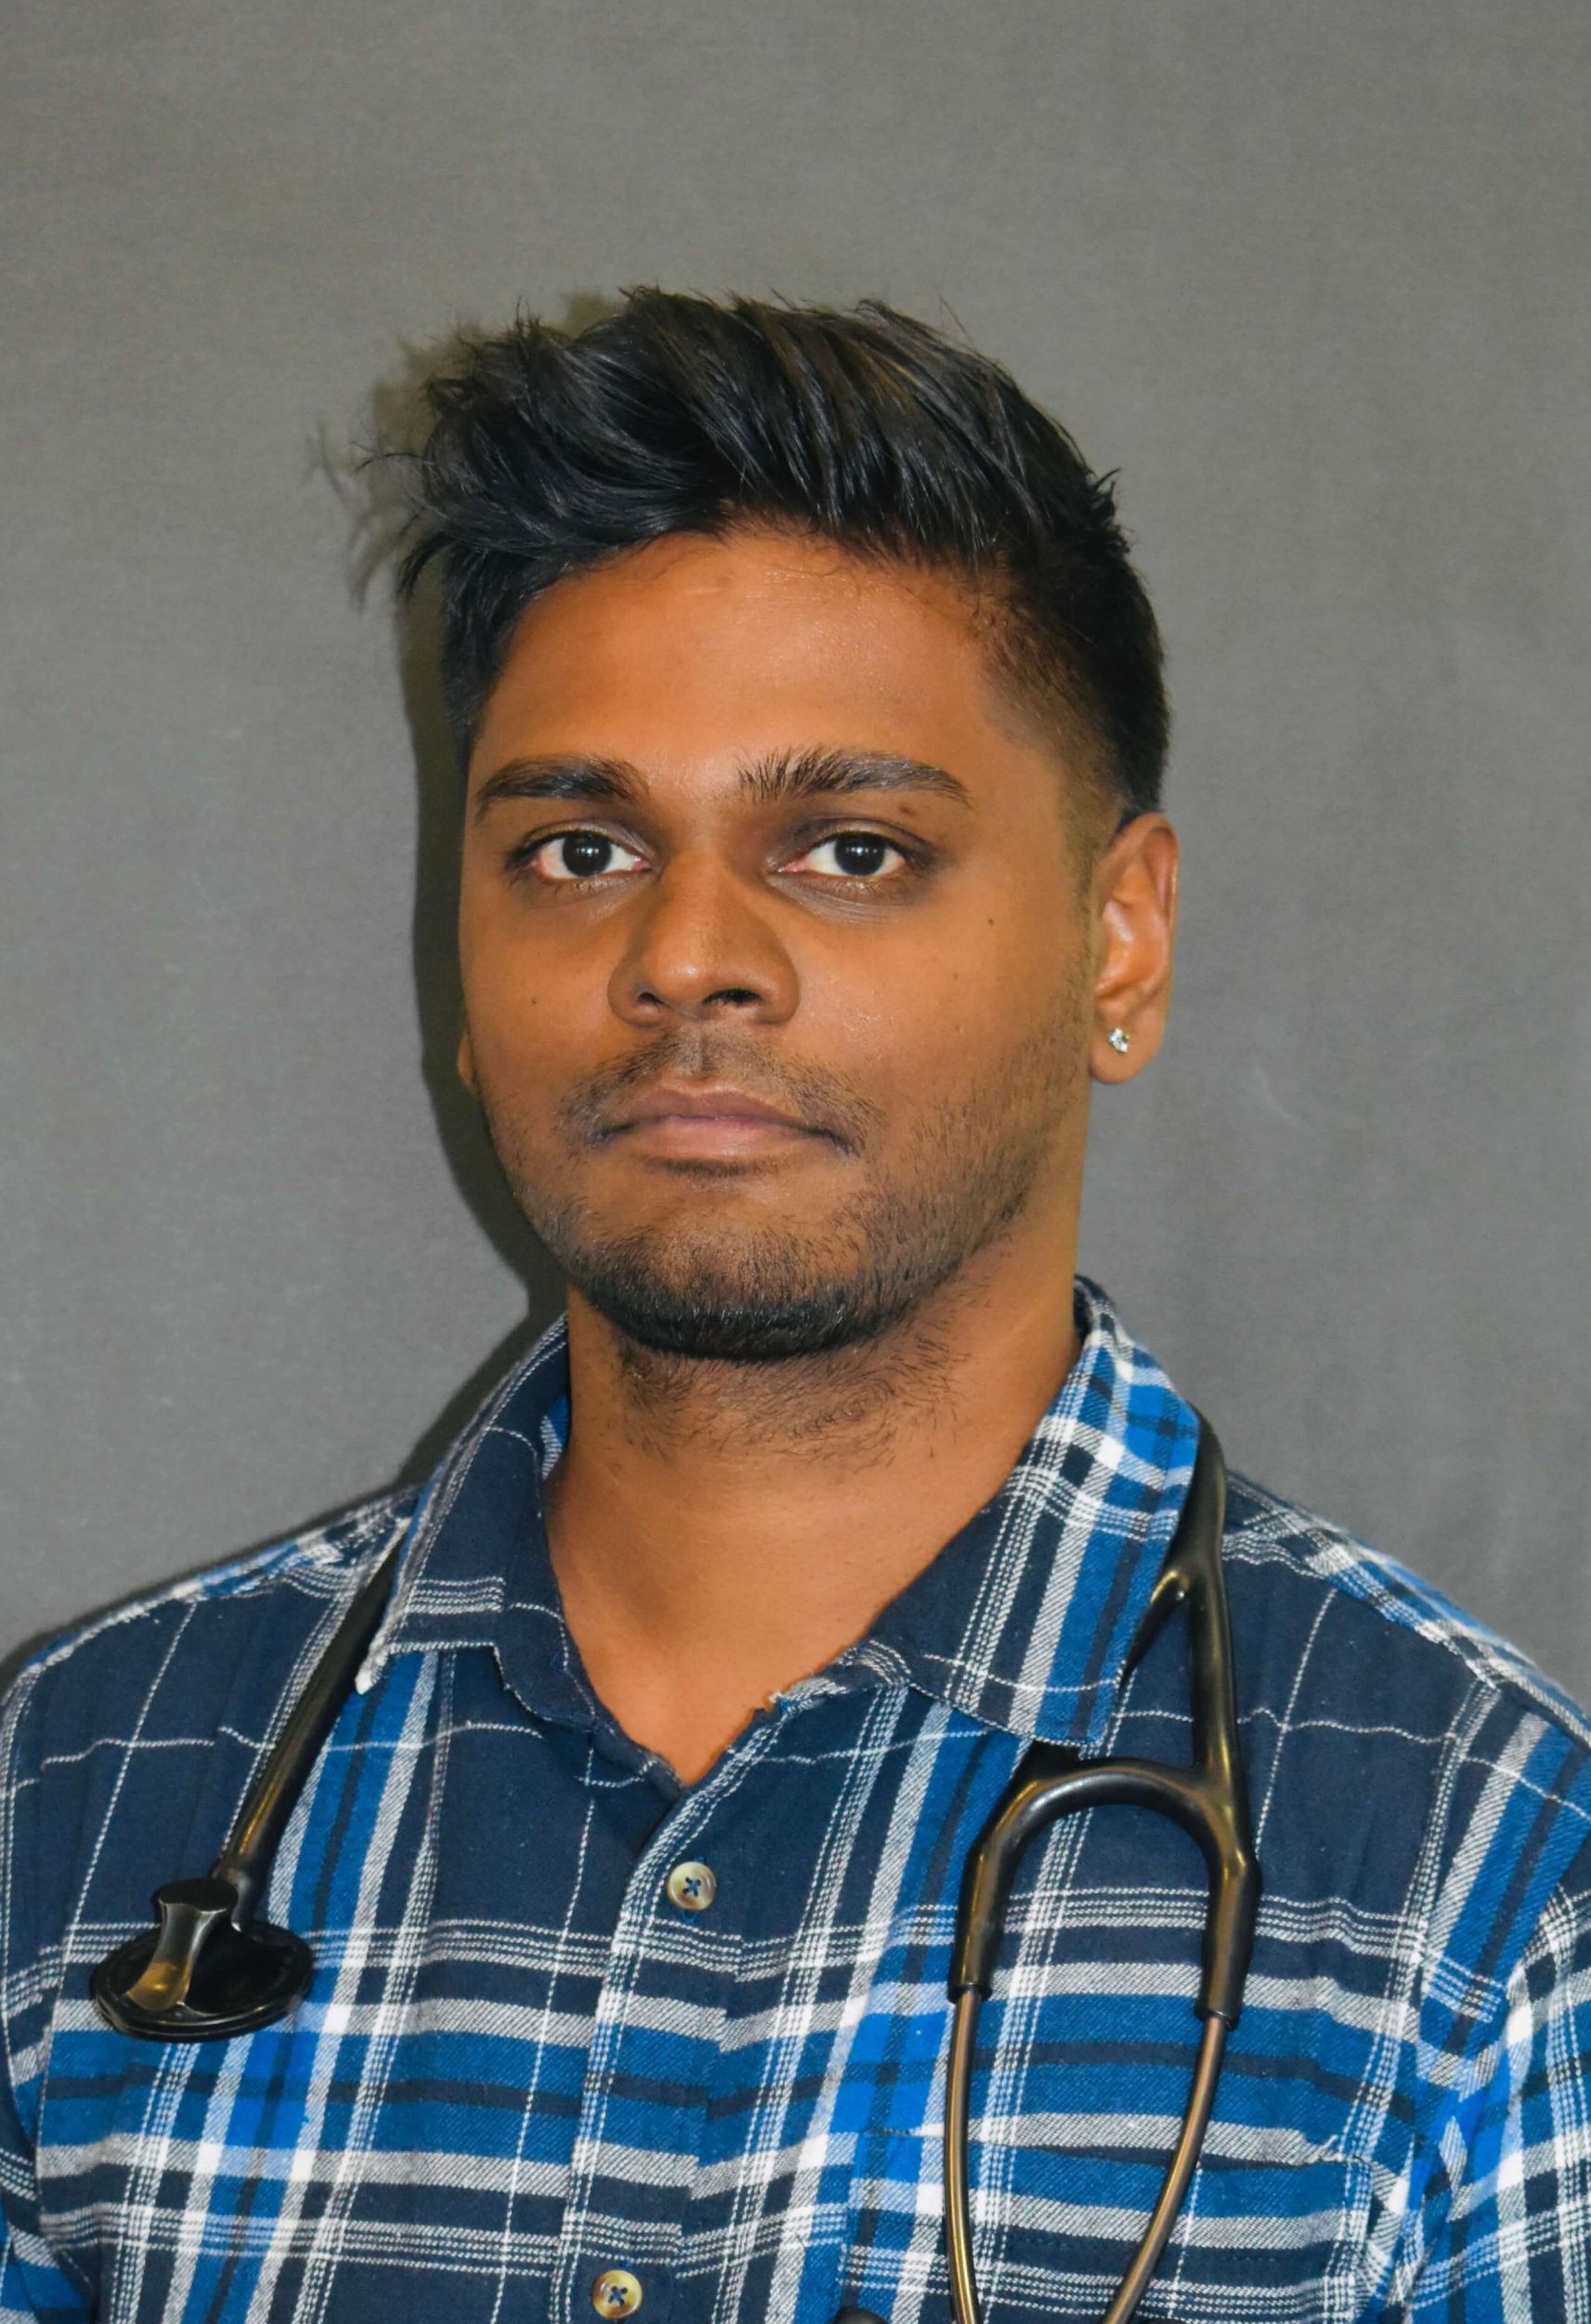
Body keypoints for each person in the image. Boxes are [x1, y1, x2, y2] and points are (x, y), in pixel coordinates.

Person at [1, 293, 1586, 2324]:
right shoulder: (83, 1794)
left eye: (848, 849)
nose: (683, 956)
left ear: (1118, 939)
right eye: (580, 847)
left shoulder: (1481, 1880)